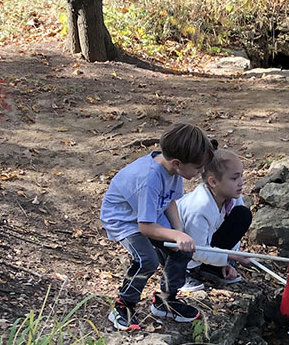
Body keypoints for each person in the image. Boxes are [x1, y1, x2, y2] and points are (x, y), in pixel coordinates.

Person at [100, 122, 214, 330]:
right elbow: (145, 227)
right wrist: (175, 235)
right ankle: (123, 305)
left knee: (181, 251)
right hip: (126, 220)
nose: (202, 171)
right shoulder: (149, 178)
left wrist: (179, 233)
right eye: (198, 168)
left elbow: (170, 201)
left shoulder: (171, 170)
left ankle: (165, 300)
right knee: (147, 260)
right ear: (177, 163)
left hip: (150, 213)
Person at [176, 147, 252, 292]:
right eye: (234, 178)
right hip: (183, 250)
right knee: (190, 253)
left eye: (241, 176)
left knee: (243, 215)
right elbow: (197, 250)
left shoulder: (233, 197)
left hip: (202, 246)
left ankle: (213, 267)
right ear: (213, 182)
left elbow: (233, 233)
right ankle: (188, 272)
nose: (241, 182)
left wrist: (227, 260)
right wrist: (231, 256)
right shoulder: (199, 207)